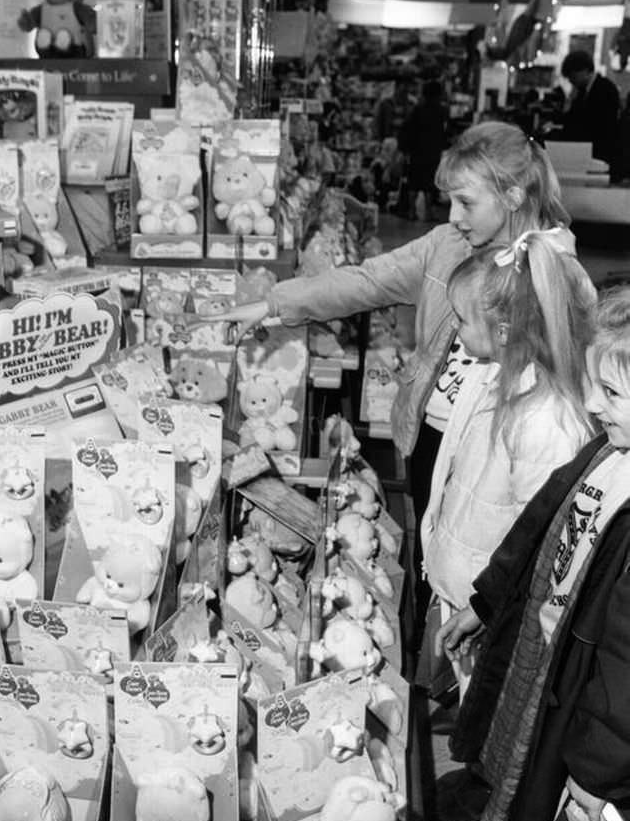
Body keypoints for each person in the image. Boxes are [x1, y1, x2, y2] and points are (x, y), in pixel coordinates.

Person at [215, 121, 575, 645]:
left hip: (505, 456)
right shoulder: (447, 245)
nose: (453, 217)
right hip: (437, 432)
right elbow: (366, 280)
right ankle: (440, 652)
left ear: (514, 195)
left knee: (491, 569)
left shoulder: (552, 272)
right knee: (439, 550)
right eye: (449, 201)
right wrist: (273, 304)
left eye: (466, 203)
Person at [437, 286, 630, 821]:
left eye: (610, 389)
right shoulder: (606, 449)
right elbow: (541, 518)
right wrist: (488, 597)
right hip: (553, 669)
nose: (593, 401)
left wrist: (598, 765)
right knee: (538, 814)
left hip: (597, 727)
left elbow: (625, 663)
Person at [420, 232, 595, 700]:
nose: (454, 329)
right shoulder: (497, 379)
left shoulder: (546, 421)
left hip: (495, 608)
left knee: (490, 707)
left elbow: (537, 537)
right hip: (472, 593)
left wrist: (484, 604)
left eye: (461, 318)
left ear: (503, 331)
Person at [559, 48, 621, 178]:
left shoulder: (606, 89)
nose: (571, 81)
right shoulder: (581, 92)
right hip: (584, 152)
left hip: (600, 154)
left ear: (585, 70)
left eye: (573, 76)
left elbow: (602, 126)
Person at [396, 78, 449, 220]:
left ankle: (412, 211)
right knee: (430, 183)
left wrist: (405, 149)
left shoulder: (418, 110)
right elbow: (443, 132)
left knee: (414, 181)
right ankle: (428, 212)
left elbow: (407, 129)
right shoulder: (441, 111)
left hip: (416, 151)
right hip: (432, 152)